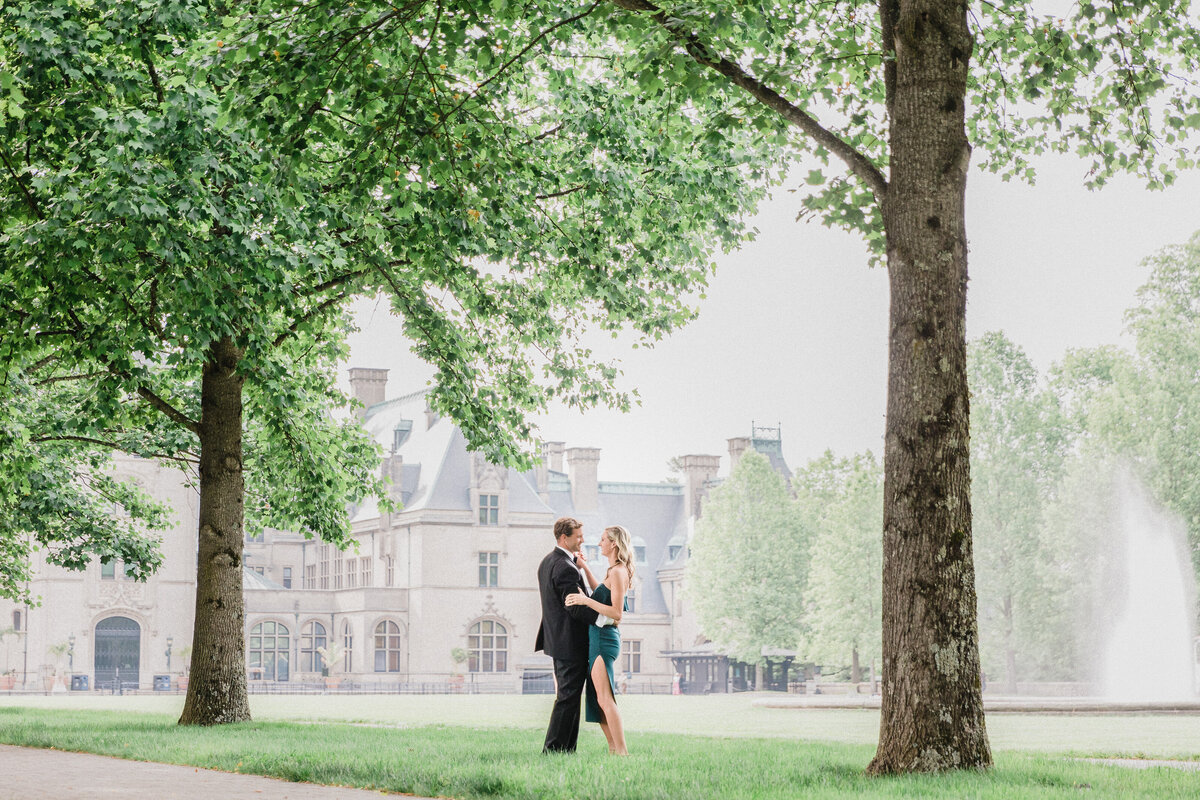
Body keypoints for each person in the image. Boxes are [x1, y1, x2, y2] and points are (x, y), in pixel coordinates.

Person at [566, 524, 633, 755]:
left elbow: (616, 613)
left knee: (605, 698)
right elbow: (599, 592)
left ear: (614, 543)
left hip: (604, 638)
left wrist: (585, 601)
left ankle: (621, 751)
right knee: (598, 698)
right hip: (598, 637)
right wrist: (584, 567)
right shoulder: (612, 571)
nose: (599, 543)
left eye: (603, 539)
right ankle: (613, 748)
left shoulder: (617, 571)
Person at [535, 516, 598, 753]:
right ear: (564, 537)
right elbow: (574, 606)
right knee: (568, 697)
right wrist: (603, 618)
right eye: (578, 536)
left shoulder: (548, 561)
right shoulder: (564, 567)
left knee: (569, 697)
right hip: (570, 642)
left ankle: (566, 749)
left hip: (558, 641)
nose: (582, 540)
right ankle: (553, 749)